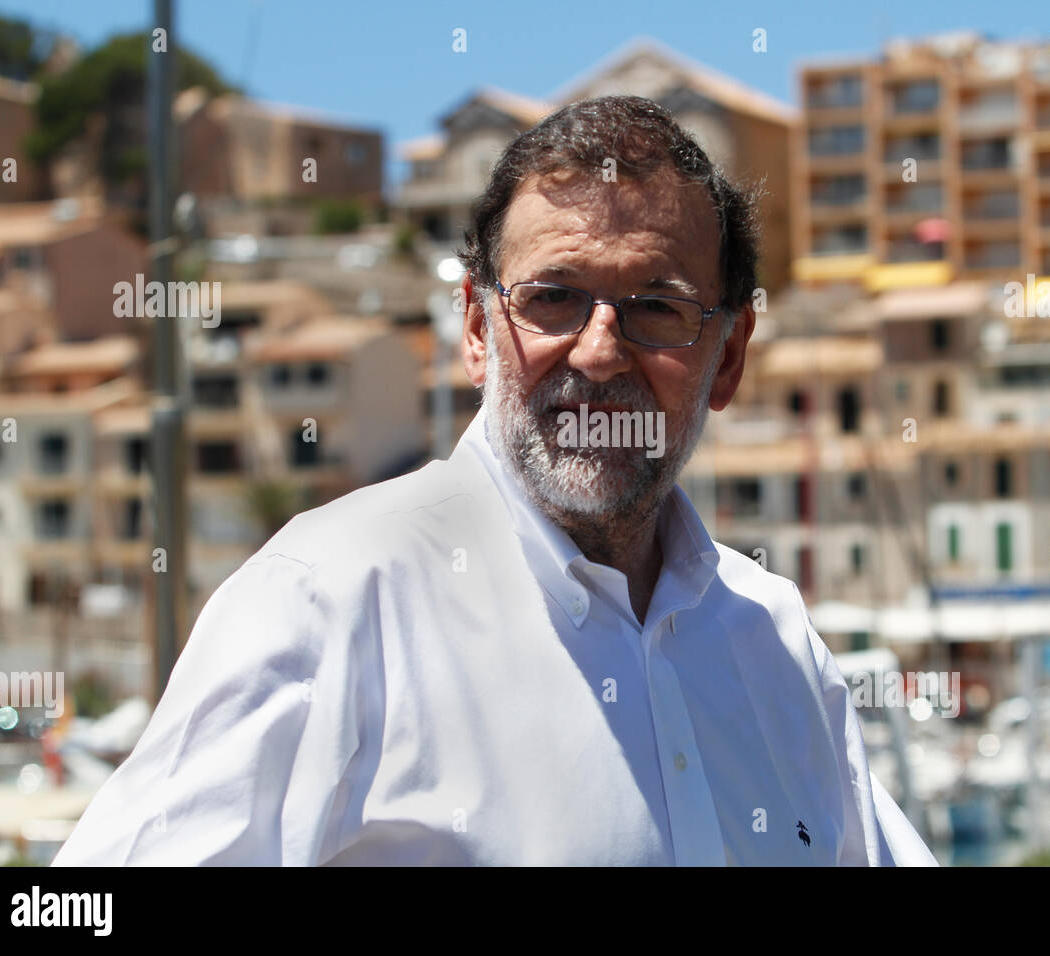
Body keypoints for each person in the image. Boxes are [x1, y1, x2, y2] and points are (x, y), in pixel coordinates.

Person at [53, 95, 937, 866]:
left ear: (730, 356)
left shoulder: (776, 646)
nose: (598, 351)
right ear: (477, 329)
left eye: (657, 308)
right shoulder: (331, 601)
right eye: (552, 297)